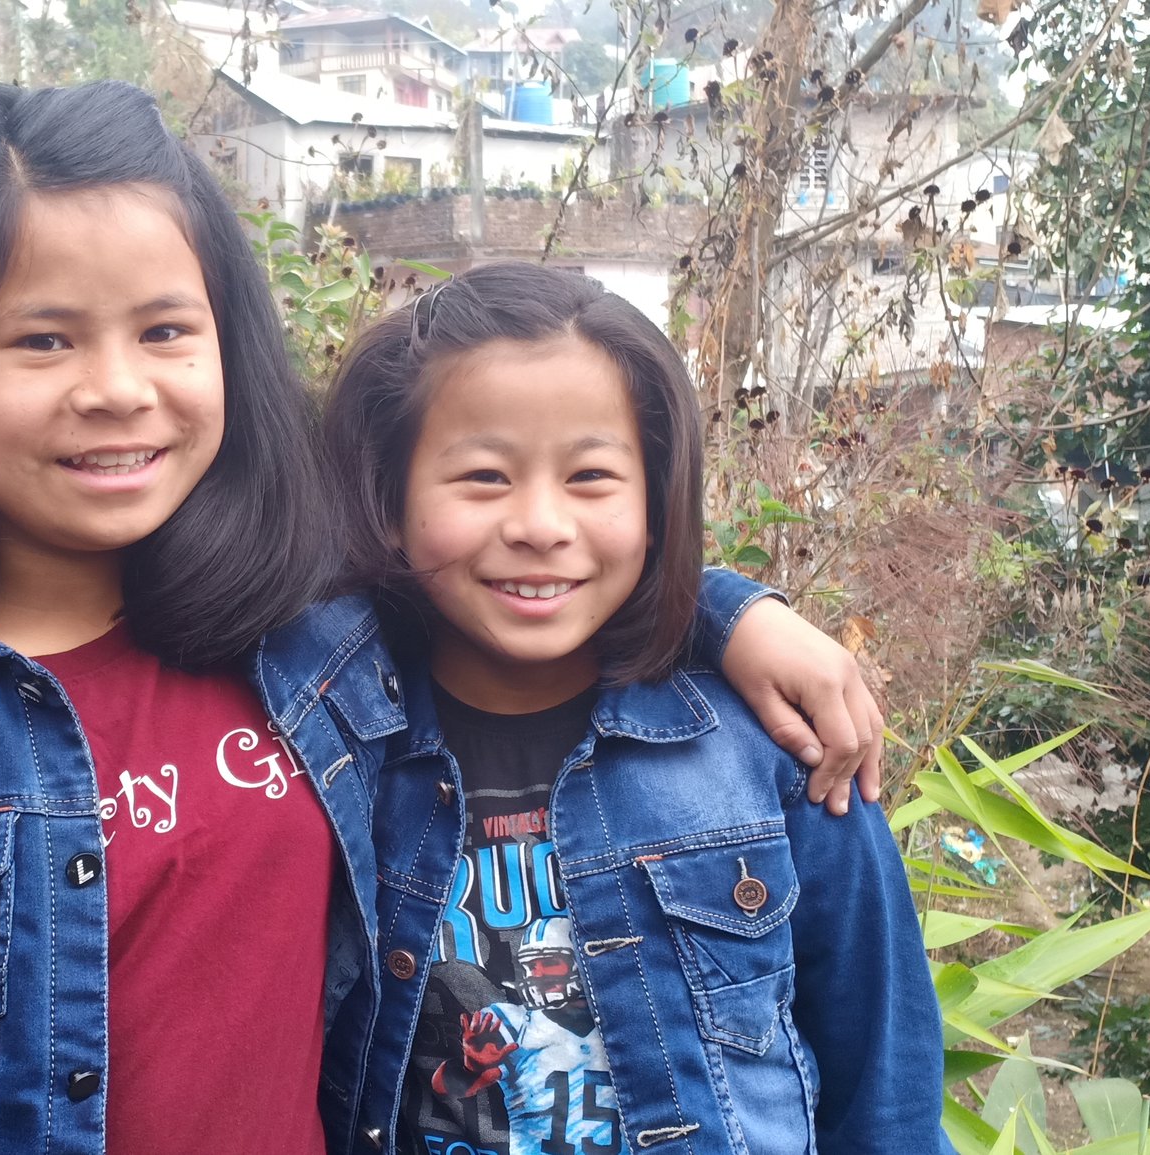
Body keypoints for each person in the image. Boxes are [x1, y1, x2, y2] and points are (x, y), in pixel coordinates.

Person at [0, 85, 890, 1154]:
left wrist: (731, 613)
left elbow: (514, 563)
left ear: (228, 340)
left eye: (164, 331)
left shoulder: (310, 641)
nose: (117, 388)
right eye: (42, 338)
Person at [322, 263, 945, 1154]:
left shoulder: (770, 748)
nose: (541, 524)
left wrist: (722, 605)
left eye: (591, 476)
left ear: (656, 501)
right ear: (390, 499)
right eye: (485, 476)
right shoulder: (335, 751)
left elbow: (884, 1080)